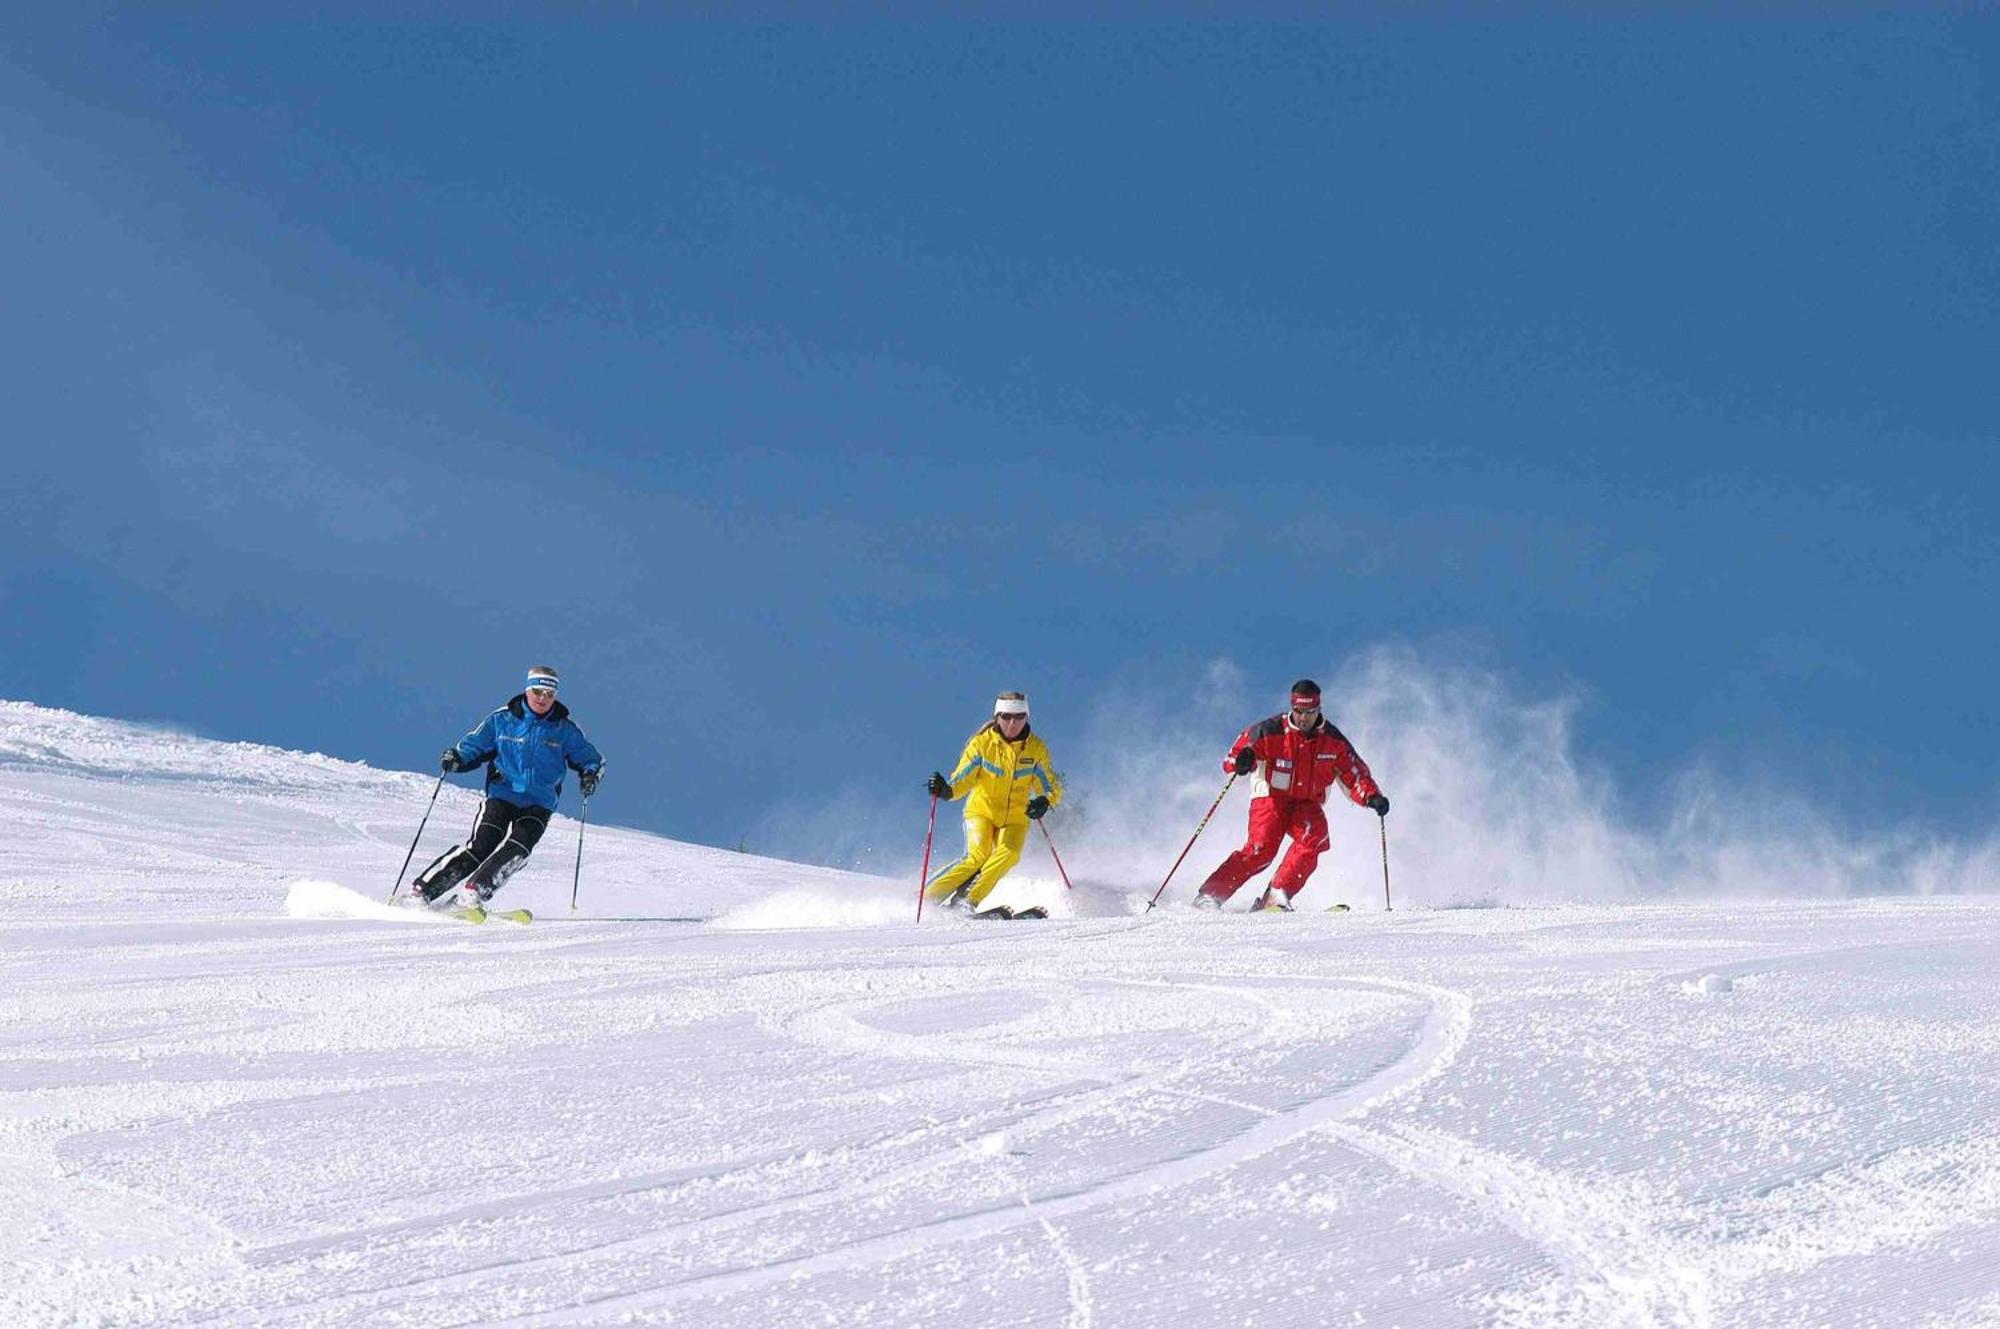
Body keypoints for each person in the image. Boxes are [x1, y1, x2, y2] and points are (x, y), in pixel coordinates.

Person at [412, 665, 605, 911]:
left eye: (549, 694)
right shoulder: (503, 719)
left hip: (539, 802)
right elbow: (475, 745)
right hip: (502, 795)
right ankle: (423, 892)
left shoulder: (565, 729)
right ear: (527, 689)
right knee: (481, 845)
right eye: (538, 692)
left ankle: (474, 893)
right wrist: (457, 758)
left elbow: (593, 760)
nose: (543, 699)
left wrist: (590, 774)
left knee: (519, 850)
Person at [1193, 678, 1387, 912]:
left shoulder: (1333, 742)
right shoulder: (1270, 730)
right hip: (1271, 796)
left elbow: (1354, 774)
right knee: (1261, 850)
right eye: (1299, 711)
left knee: (1315, 835)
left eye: (1310, 712)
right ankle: (1210, 894)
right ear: (1292, 707)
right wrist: (1241, 761)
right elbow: (1235, 755)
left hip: (1306, 801)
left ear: (1319, 709)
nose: (1304, 717)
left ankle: (1275, 896)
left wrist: (1371, 796)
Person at [922, 692, 1064, 918]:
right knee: (977, 856)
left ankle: (966, 902)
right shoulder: (982, 745)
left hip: (1016, 816)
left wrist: (1045, 800)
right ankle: (926, 897)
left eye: (1019, 717)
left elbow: (1052, 784)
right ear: (997, 717)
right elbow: (962, 778)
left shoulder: (1036, 749)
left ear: (1027, 717)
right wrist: (946, 790)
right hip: (982, 812)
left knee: (1009, 855)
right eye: (1006, 716)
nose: (1012, 723)